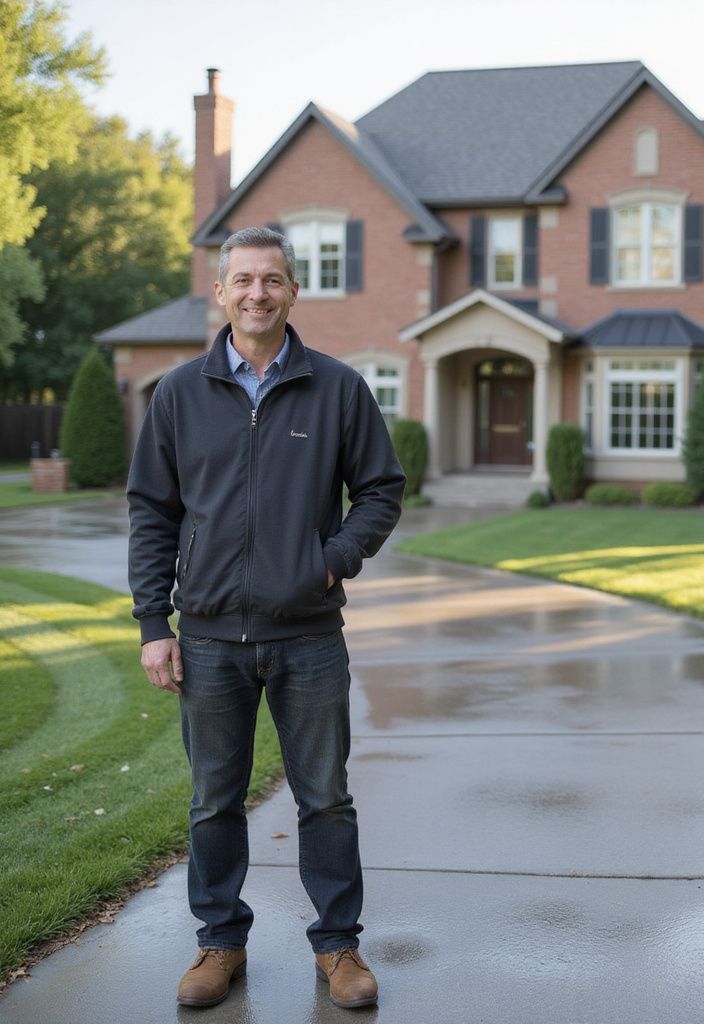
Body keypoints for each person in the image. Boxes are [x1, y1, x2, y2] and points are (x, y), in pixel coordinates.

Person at [127, 225, 405, 1010]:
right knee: (214, 799)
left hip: (309, 636)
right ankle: (220, 943)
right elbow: (151, 509)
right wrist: (155, 623)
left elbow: (381, 489)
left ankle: (339, 948)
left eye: (272, 280)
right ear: (219, 291)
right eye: (242, 279)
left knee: (326, 797)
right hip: (210, 638)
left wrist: (329, 559)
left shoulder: (338, 387)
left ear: (292, 291)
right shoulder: (179, 392)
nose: (257, 293)